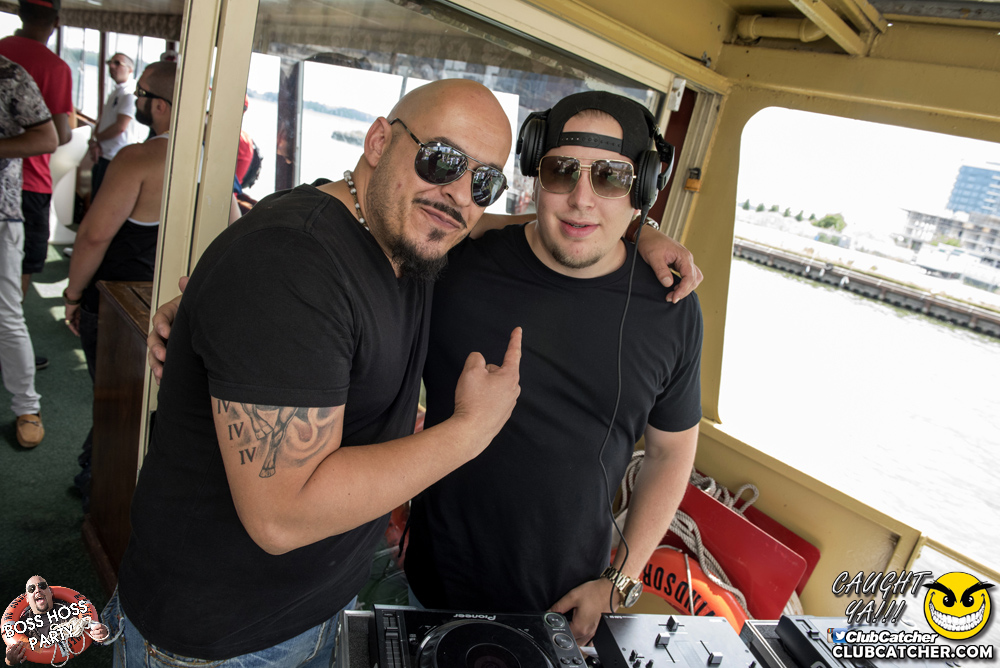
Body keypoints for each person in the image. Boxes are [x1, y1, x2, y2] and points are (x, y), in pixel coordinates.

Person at [105, 79, 523, 667]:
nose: (458, 193)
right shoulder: (291, 263)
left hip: (316, 607)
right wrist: (471, 430)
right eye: (442, 159)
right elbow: (281, 516)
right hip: (224, 641)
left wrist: (636, 232)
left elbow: (489, 223)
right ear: (379, 141)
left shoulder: (402, 233)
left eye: (484, 181)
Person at [404, 92, 703, 645]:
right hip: (428, 587)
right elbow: (388, 216)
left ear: (643, 189)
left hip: (562, 612)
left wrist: (619, 580)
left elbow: (670, 451)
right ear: (536, 175)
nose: (581, 200)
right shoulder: (458, 265)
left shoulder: (672, 307)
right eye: (562, 172)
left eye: (611, 178)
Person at [63, 61, 176, 507]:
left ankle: (99, 483)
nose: (137, 101)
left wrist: (73, 295)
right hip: (170, 305)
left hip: (116, 303)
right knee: (140, 401)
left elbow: (94, 236)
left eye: (142, 94)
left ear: (160, 106)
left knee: (112, 397)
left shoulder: (137, 159)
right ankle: (100, 472)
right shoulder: (212, 161)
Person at [0, 55, 57, 449]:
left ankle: (26, 406)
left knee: (7, 314)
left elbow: (49, 138)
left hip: (1, 213)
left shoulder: (9, 74)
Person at [0, 0, 73, 306]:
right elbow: (60, 135)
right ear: (56, 21)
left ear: (19, 13)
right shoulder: (56, 68)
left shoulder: (3, 52)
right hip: (30, 184)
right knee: (21, 267)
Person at [3, 576, 109, 666]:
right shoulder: (22, 627)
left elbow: (93, 633)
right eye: (31, 589)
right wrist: (10, 661)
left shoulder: (72, 610)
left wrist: (101, 635)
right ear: (27, 598)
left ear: (50, 591)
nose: (37, 590)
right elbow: (17, 653)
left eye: (42, 586)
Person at [88, 53, 139, 196]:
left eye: (117, 63)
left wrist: (97, 139)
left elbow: (120, 127)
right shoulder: (116, 91)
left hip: (114, 158)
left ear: (130, 70)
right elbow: (103, 119)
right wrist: (95, 141)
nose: (111, 66)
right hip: (103, 154)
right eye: (110, 62)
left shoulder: (129, 94)